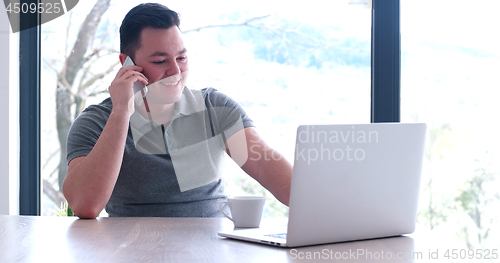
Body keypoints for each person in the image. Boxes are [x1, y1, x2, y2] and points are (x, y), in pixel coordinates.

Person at [62, 3, 292, 219]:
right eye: (160, 61)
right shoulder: (97, 122)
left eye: (181, 58)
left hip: (212, 252)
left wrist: (319, 205)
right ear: (126, 63)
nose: (175, 71)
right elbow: (85, 205)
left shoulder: (215, 108)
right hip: (134, 251)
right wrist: (122, 111)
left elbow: (264, 166)